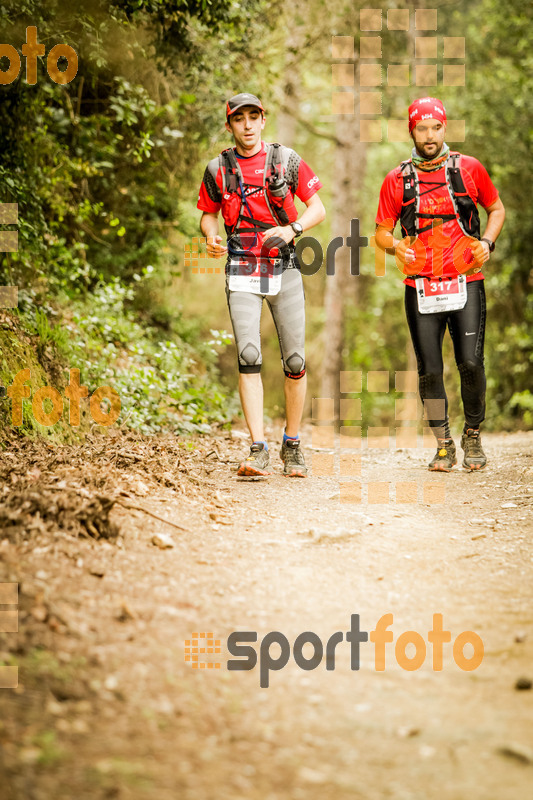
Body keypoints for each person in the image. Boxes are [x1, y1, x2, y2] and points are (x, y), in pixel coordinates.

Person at [197, 93, 326, 477]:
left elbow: (317, 207)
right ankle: (257, 448)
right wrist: (210, 235)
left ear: (263, 121)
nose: (248, 125)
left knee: (295, 361)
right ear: (230, 125)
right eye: (240, 119)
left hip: (284, 267)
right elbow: (207, 215)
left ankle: (293, 444)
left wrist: (292, 229)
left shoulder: (285, 160)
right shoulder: (217, 168)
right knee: (249, 356)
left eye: (254, 117)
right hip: (240, 268)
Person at [375, 97, 505, 471]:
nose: (429, 136)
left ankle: (473, 436)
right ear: (411, 131)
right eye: (422, 128)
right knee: (430, 369)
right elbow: (381, 233)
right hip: (420, 287)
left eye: (436, 127)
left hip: (467, 282)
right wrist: (397, 246)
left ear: (444, 128)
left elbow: (496, 209)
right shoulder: (397, 179)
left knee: (471, 363)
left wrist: (486, 243)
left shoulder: (469, 169)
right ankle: (443, 443)